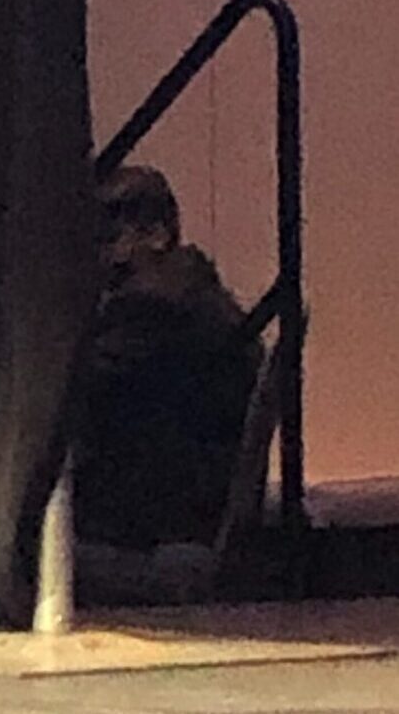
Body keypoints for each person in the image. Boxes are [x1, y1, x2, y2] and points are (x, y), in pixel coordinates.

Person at [74, 164, 264, 553]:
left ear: (157, 235)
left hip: (153, 527)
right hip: (181, 510)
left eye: (110, 239)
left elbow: (74, 392)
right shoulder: (192, 292)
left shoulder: (153, 306)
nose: (103, 257)